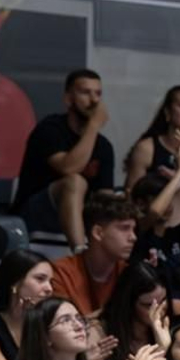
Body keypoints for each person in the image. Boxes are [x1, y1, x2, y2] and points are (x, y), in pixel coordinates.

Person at [14, 68, 114, 249]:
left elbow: (105, 197)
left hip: (80, 215)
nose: (93, 100)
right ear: (68, 99)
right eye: (85, 92)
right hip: (36, 212)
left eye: (98, 94)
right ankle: (79, 253)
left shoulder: (104, 146)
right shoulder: (50, 129)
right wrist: (94, 125)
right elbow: (68, 168)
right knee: (74, 181)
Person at [124, 85, 180, 234]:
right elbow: (132, 196)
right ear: (167, 112)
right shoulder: (147, 148)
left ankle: (171, 243)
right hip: (150, 219)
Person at [50, 192, 135, 316]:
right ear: (98, 233)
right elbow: (63, 326)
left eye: (133, 229)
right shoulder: (61, 272)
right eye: (124, 228)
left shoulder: (129, 275)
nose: (133, 237)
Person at [0, 250, 53, 360]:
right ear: (15, 283)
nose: (49, 288)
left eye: (50, 281)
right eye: (40, 279)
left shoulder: (51, 323)